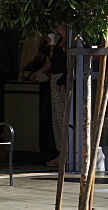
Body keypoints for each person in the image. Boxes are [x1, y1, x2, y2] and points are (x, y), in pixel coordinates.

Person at [31, 24, 68, 166]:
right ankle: (61, 152)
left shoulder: (69, 43)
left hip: (60, 81)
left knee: (62, 116)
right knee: (57, 118)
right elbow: (52, 62)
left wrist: (61, 80)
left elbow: (69, 65)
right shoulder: (59, 41)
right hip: (55, 79)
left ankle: (65, 152)